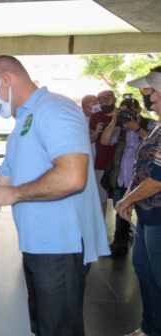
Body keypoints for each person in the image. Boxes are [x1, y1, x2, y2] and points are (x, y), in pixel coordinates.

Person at [0, 55, 109, 336]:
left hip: (61, 246)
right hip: (37, 245)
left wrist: (15, 194)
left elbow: (72, 176)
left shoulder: (55, 109)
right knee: (42, 327)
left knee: (59, 329)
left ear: (6, 80)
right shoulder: (23, 123)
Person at [115, 67, 161, 336]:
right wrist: (132, 193)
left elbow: (157, 179)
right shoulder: (156, 127)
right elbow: (142, 165)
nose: (148, 96)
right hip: (148, 215)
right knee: (145, 271)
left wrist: (125, 200)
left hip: (157, 215)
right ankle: (151, 328)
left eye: (151, 89)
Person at [100, 97, 156, 256]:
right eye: (123, 111)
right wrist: (114, 121)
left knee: (145, 214)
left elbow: (155, 144)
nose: (127, 114)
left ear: (138, 110)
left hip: (145, 179)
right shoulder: (121, 128)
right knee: (121, 210)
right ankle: (119, 243)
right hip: (123, 177)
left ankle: (146, 244)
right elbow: (104, 141)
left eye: (130, 110)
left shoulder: (150, 124)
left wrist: (137, 128)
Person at [89, 90, 119, 216]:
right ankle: (102, 228)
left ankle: (122, 230)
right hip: (102, 162)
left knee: (120, 197)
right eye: (100, 98)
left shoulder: (123, 115)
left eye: (107, 97)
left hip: (121, 164)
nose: (103, 100)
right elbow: (90, 139)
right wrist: (96, 132)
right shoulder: (95, 117)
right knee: (101, 197)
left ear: (114, 98)